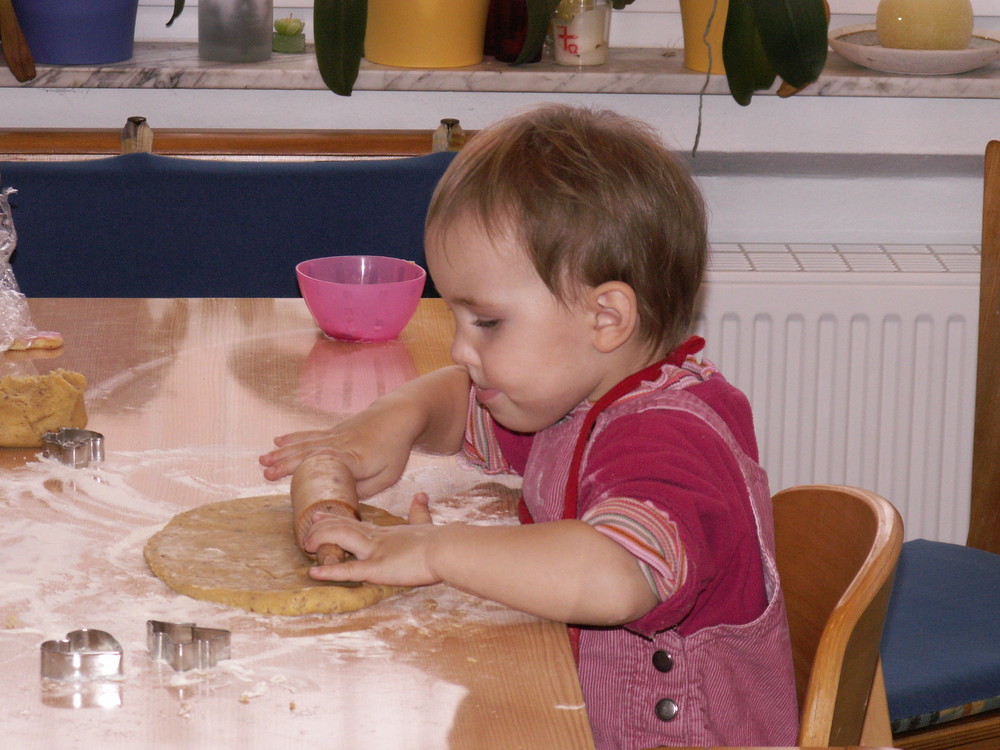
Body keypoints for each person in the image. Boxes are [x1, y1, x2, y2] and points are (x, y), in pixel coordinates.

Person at [260, 104, 799, 749]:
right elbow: (461, 403)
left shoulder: (669, 438)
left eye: (486, 322)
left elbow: (616, 574)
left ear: (606, 317)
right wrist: (393, 419)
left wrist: (437, 551)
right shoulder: (573, 395)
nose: (461, 349)